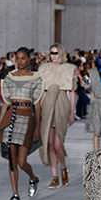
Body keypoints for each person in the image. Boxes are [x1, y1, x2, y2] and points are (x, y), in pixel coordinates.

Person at [0, 47, 44, 200]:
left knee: (22, 162)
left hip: (27, 117)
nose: (20, 61)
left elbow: (37, 105)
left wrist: (37, 127)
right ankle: (15, 195)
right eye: (17, 58)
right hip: (11, 116)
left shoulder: (35, 78)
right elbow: (5, 103)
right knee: (12, 158)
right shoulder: (9, 77)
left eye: (23, 58)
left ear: (29, 59)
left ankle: (33, 177)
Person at [38, 43, 76, 187]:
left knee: (58, 144)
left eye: (56, 53)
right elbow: (43, 92)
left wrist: (72, 112)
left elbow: (72, 92)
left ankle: (63, 169)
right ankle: (55, 177)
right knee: (49, 144)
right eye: (51, 53)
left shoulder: (69, 69)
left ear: (61, 53)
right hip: (48, 104)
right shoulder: (44, 69)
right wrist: (40, 112)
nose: (53, 56)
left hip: (62, 104)